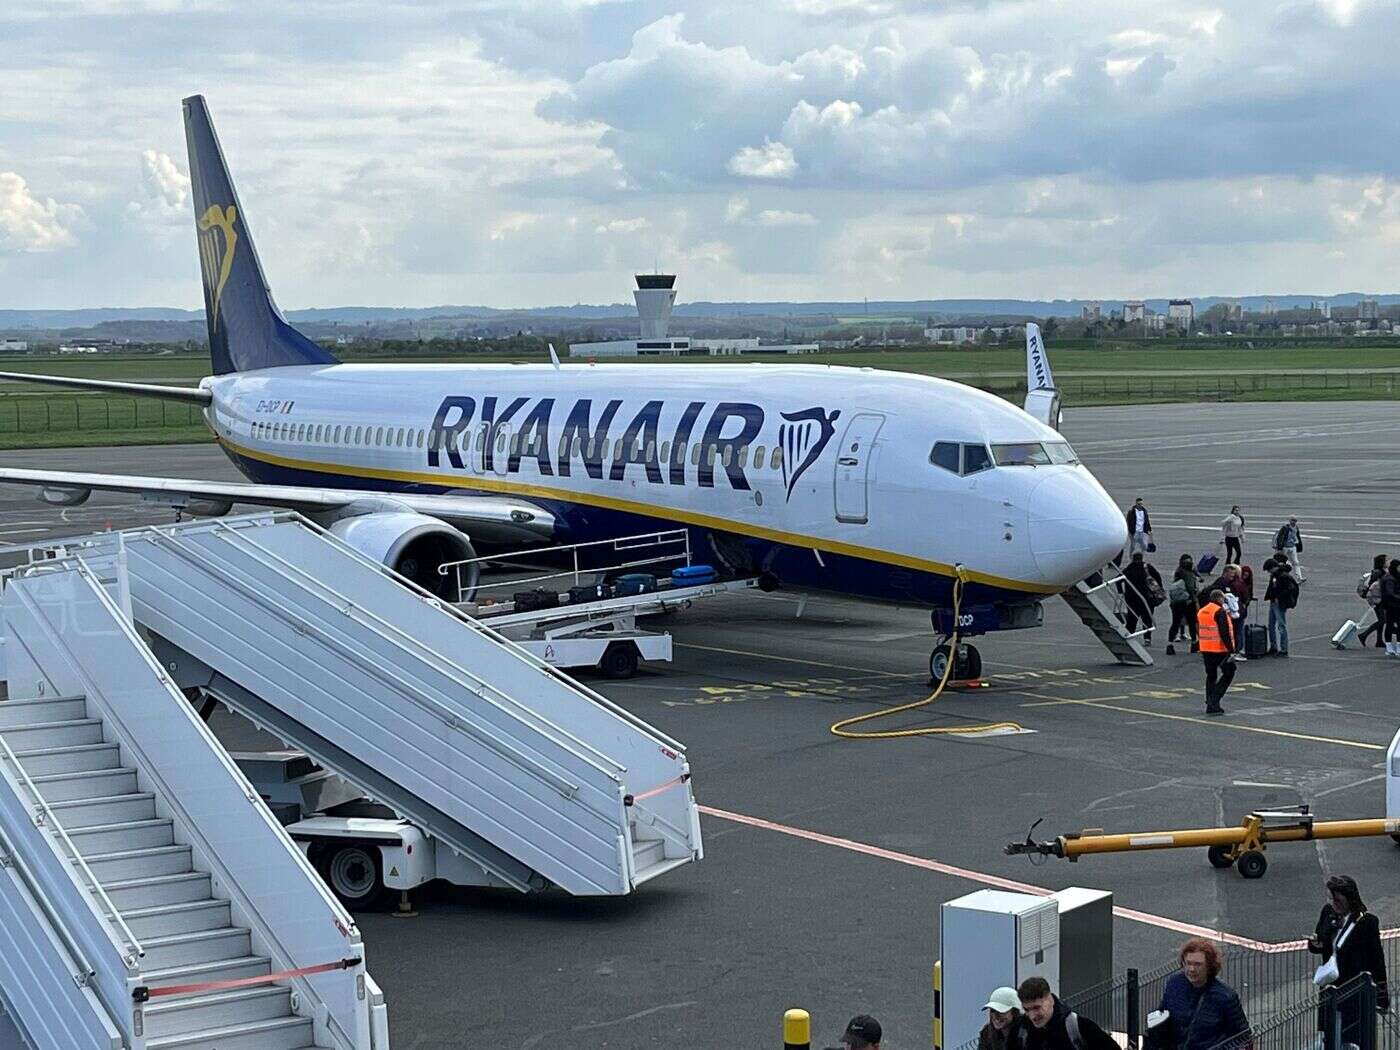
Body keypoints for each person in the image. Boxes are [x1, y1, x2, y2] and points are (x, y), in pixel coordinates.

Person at [1306, 875, 1390, 1045]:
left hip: (1353, 990)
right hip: (1330, 987)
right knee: (1330, 1034)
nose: (1334, 904)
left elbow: (1377, 961)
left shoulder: (1367, 923)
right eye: (1332, 898)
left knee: (1351, 1037)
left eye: (1337, 900)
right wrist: (1315, 943)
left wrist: (1382, 998)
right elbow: (1318, 944)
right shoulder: (1328, 913)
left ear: (1349, 898)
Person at [1157, 938, 1250, 1050]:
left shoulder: (1225, 997)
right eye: (1188, 963)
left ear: (1209, 967)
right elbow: (1162, 1019)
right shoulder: (1175, 984)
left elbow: (1243, 1036)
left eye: (1198, 964)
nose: (1191, 969)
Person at [1013, 976, 1118, 1050]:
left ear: (1050, 1000)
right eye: (1026, 1010)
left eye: (1036, 1008)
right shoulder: (1021, 1029)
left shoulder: (1079, 1027)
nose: (1032, 1016)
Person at [1198, 589, 1236, 716]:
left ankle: (1210, 703)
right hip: (1219, 649)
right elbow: (1224, 632)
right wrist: (1231, 649)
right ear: (1219, 599)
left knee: (1211, 676)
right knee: (1229, 672)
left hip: (1205, 647)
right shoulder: (1219, 612)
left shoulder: (1202, 611)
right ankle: (1214, 700)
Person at [1122, 551, 1164, 646]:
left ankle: (1130, 636)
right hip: (1147, 598)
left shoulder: (1129, 569)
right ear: (1142, 558)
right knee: (1147, 619)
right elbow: (1158, 577)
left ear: (1133, 558)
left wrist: (1121, 592)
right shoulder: (1147, 567)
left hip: (1132, 599)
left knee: (1132, 619)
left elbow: (1118, 579)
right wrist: (1158, 589)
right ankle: (1147, 638)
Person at [1167, 555, 1201, 655]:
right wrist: (1195, 600)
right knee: (1192, 622)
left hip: (1176, 602)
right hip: (1188, 602)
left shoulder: (1178, 572)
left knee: (1175, 623)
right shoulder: (1189, 574)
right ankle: (1194, 644)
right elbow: (1191, 588)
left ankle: (1170, 644)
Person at [1264, 561, 1297, 657]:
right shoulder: (1277, 575)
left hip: (1279, 603)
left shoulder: (1283, 576)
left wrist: (1278, 597)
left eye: (1270, 570)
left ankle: (1283, 649)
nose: (1269, 572)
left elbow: (1290, 588)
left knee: (1280, 625)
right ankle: (1274, 647)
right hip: (1275, 601)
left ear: (1274, 567)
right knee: (1272, 625)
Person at [1355, 554, 1387, 650]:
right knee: (1382, 620)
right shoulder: (1378, 572)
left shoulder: (1381, 571)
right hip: (1377, 598)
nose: (1388, 562)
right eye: (1386, 560)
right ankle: (1364, 635)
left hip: (1379, 597)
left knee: (1381, 619)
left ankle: (1379, 640)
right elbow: (1371, 585)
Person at [1273, 517, 1305, 584]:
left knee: (1296, 562)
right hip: (1285, 547)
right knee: (1285, 561)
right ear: (1290, 521)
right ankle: (1285, 576)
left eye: (1295, 521)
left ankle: (1299, 577)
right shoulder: (1285, 528)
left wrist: (1299, 546)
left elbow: (1297, 537)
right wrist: (1279, 547)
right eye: (1292, 520)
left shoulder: (1296, 528)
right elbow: (1280, 537)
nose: (1294, 522)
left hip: (1293, 546)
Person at [1382, 559, 1400, 658]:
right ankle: (1393, 647)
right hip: (1393, 606)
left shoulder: (1392, 577)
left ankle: (1393, 647)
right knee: (1391, 625)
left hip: (1391, 605)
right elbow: (1390, 593)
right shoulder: (1390, 579)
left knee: (1390, 625)